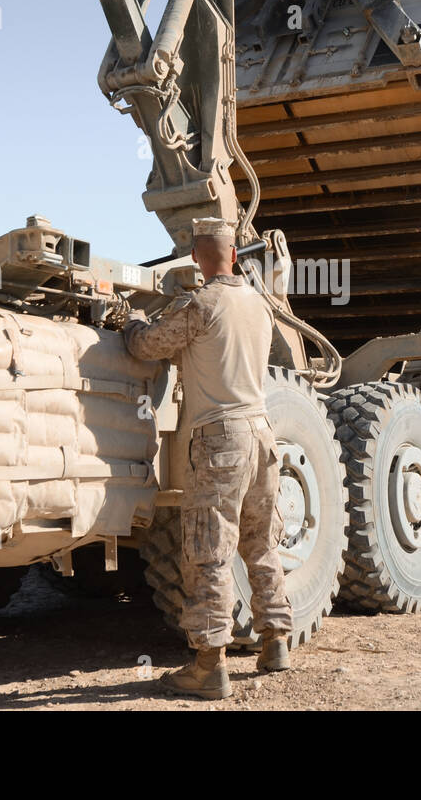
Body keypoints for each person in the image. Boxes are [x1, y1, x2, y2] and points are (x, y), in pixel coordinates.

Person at [123, 217, 293, 700]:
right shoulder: (260, 305)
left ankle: (209, 666)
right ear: (235, 256)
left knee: (209, 552)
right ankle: (276, 641)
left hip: (220, 441)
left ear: (197, 258)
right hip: (262, 437)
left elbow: (146, 346)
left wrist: (133, 320)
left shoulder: (201, 305)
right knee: (260, 543)